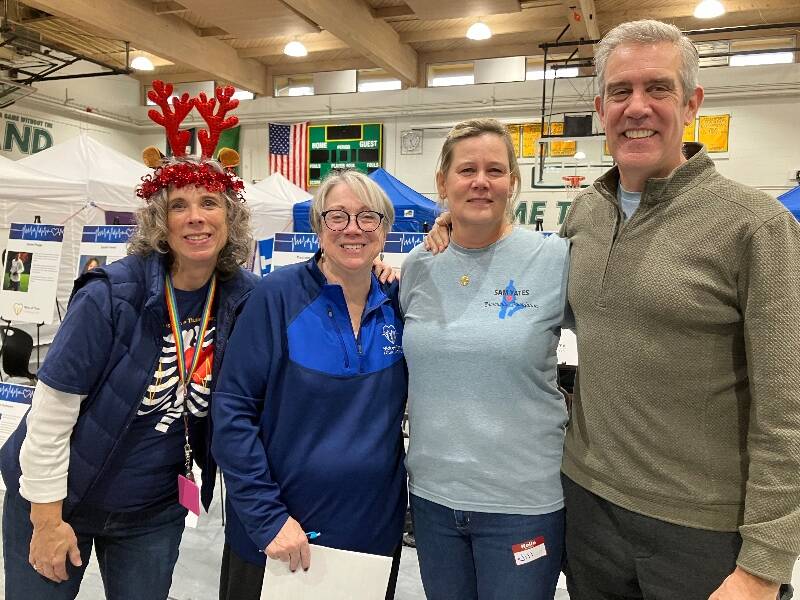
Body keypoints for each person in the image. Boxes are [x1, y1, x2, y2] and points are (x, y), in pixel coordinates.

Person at [557, 20, 800, 600]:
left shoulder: (754, 225)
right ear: (600, 107)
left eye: (657, 89)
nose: (636, 107)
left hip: (701, 531)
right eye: (620, 91)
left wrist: (764, 563)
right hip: (588, 508)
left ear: (691, 104)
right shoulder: (585, 215)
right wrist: (452, 235)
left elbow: (787, 405)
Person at [0, 81, 258, 600]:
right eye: (179, 205)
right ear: (160, 222)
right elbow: (50, 414)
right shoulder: (111, 295)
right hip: (58, 497)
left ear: (231, 218)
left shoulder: (244, 298)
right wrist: (47, 521)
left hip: (154, 510)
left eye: (210, 202)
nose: (196, 217)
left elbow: (320, 282)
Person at [211, 169, 407, 600]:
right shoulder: (276, 297)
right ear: (318, 228)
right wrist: (267, 518)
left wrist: (445, 230)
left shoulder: (398, 302)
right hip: (281, 536)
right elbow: (231, 413)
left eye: (367, 217)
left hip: (371, 540)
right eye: (337, 216)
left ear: (385, 230)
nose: (352, 228)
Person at [400, 118, 570, 600]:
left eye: (495, 170)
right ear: (442, 183)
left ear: (513, 182)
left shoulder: (554, 258)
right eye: (467, 169)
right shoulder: (417, 266)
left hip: (522, 502)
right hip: (433, 499)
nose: (480, 181)